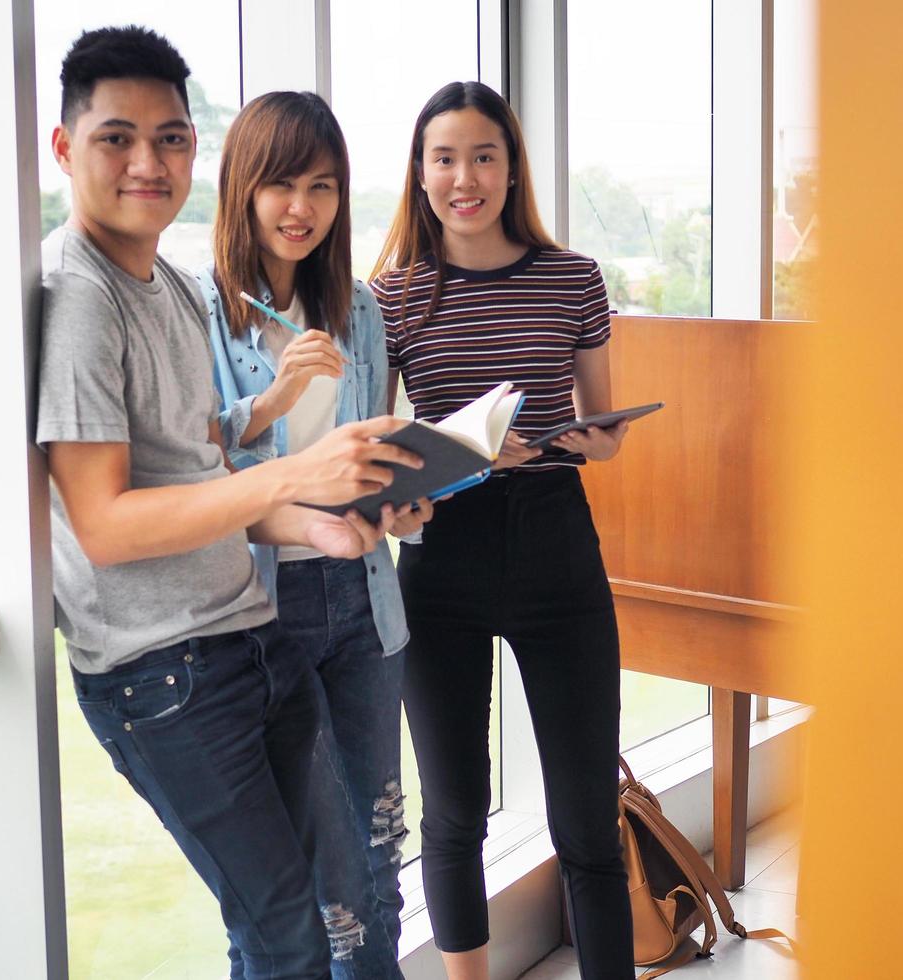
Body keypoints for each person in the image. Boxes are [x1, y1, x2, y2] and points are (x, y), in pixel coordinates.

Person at [36, 27, 419, 979]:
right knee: (291, 930)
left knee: (355, 881)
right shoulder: (86, 297)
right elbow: (106, 524)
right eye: (116, 138)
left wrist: (336, 521)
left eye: (169, 138)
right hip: (164, 669)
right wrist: (292, 475)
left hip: (241, 633)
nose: (146, 162)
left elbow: (205, 466)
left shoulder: (157, 279)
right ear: (63, 149)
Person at [370, 80, 635, 980]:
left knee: (585, 815)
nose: (464, 177)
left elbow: (601, 435)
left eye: (483, 155)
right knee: (452, 811)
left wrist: (593, 443)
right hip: (443, 547)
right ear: (420, 171)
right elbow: (378, 453)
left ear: (512, 166)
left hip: (557, 540)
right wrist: (464, 454)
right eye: (443, 157)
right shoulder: (392, 296)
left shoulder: (573, 278)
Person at [197, 91, 430, 978]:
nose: (302, 208)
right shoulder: (202, 308)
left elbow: (365, 448)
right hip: (260, 606)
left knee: (375, 853)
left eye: (323, 186)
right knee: (289, 882)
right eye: (282, 184)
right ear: (244, 189)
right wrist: (273, 400)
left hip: (365, 595)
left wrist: (399, 504)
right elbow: (190, 457)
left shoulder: (359, 308)